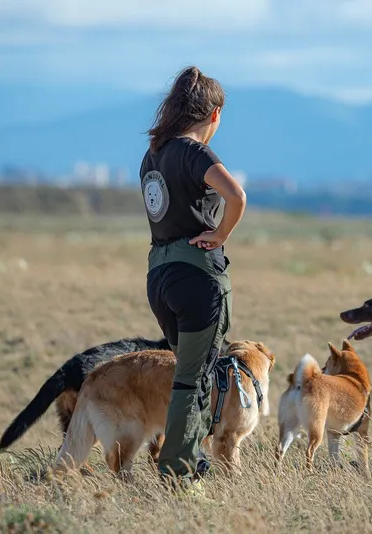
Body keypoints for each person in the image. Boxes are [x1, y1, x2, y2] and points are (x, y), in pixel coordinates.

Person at [139, 66, 247, 487]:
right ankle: (180, 473)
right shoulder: (195, 152)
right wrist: (220, 234)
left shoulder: (153, 154)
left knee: (191, 372)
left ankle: (193, 461)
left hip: (159, 277)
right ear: (214, 115)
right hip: (197, 278)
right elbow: (236, 195)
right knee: (192, 378)